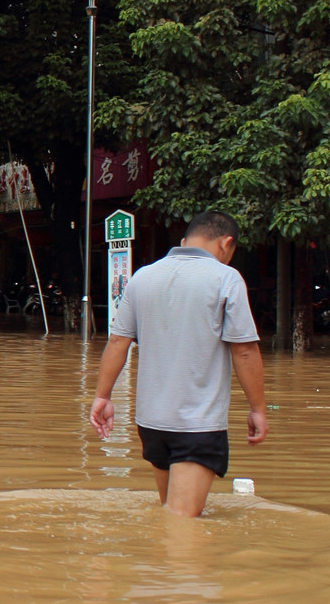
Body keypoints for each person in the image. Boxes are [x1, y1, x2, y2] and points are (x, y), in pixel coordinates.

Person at [89, 210, 268, 519]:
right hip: (197, 424)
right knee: (182, 524)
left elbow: (118, 342)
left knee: (169, 512)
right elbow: (245, 352)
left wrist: (102, 397)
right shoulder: (226, 278)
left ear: (186, 241)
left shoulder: (143, 276)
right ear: (226, 243)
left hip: (151, 424)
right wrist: (258, 409)